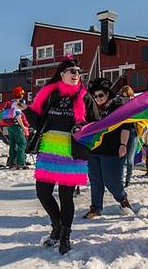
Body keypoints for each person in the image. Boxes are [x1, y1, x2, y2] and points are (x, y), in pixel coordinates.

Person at [19, 57, 95, 255]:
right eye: (72, 71)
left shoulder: (85, 97)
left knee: (66, 196)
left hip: (72, 152)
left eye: (78, 71)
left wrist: (83, 127)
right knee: (42, 193)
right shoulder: (49, 94)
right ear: (62, 74)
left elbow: (96, 122)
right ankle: (57, 225)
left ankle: (65, 236)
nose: (76, 74)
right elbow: (37, 121)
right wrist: (26, 109)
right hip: (49, 150)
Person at [83, 78, 133, 218]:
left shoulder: (117, 106)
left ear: (108, 94)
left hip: (113, 149)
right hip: (94, 149)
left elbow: (126, 126)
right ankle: (95, 208)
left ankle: (123, 200)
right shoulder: (91, 108)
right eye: (95, 96)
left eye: (101, 95)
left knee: (112, 181)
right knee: (95, 180)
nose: (97, 98)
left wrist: (123, 145)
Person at [4, 86, 30, 169]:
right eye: (22, 94)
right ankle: (20, 163)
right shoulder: (17, 104)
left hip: (10, 125)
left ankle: (12, 163)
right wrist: (23, 127)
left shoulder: (11, 103)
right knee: (22, 143)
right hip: (16, 126)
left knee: (13, 144)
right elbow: (18, 117)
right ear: (21, 94)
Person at [118, 86, 137, 187]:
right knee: (121, 158)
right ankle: (120, 180)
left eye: (127, 96)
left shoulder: (135, 104)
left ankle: (128, 180)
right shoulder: (118, 105)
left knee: (129, 159)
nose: (125, 99)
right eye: (123, 97)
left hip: (133, 133)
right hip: (121, 133)